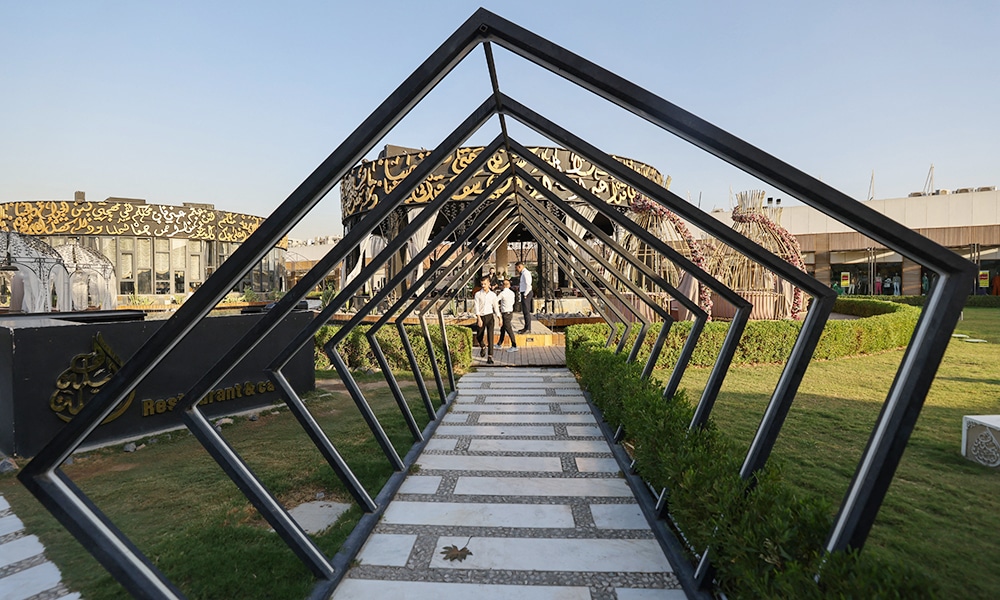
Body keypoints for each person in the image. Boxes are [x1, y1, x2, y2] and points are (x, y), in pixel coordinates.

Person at [474, 275, 501, 364]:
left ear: (489, 283)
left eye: (485, 284)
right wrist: (478, 318)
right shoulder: (478, 294)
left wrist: (499, 317)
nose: (483, 286)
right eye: (482, 284)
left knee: (490, 336)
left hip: (490, 316)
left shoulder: (493, 295)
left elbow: (496, 307)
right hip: (481, 316)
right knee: (479, 336)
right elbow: (476, 307)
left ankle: (490, 356)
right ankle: (482, 346)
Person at [496, 278, 518, 352]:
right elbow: (513, 302)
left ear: (503, 285)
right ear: (509, 285)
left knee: (509, 329)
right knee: (502, 329)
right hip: (510, 312)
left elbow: (496, 300)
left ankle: (514, 345)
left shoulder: (502, 293)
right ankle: (499, 344)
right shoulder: (512, 293)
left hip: (505, 313)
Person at [515, 261, 533, 333]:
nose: (517, 270)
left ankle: (528, 328)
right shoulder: (523, 273)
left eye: (517, 268)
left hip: (527, 293)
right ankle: (526, 327)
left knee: (526, 311)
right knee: (525, 311)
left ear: (520, 266)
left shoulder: (526, 273)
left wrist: (525, 294)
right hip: (524, 292)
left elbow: (528, 285)